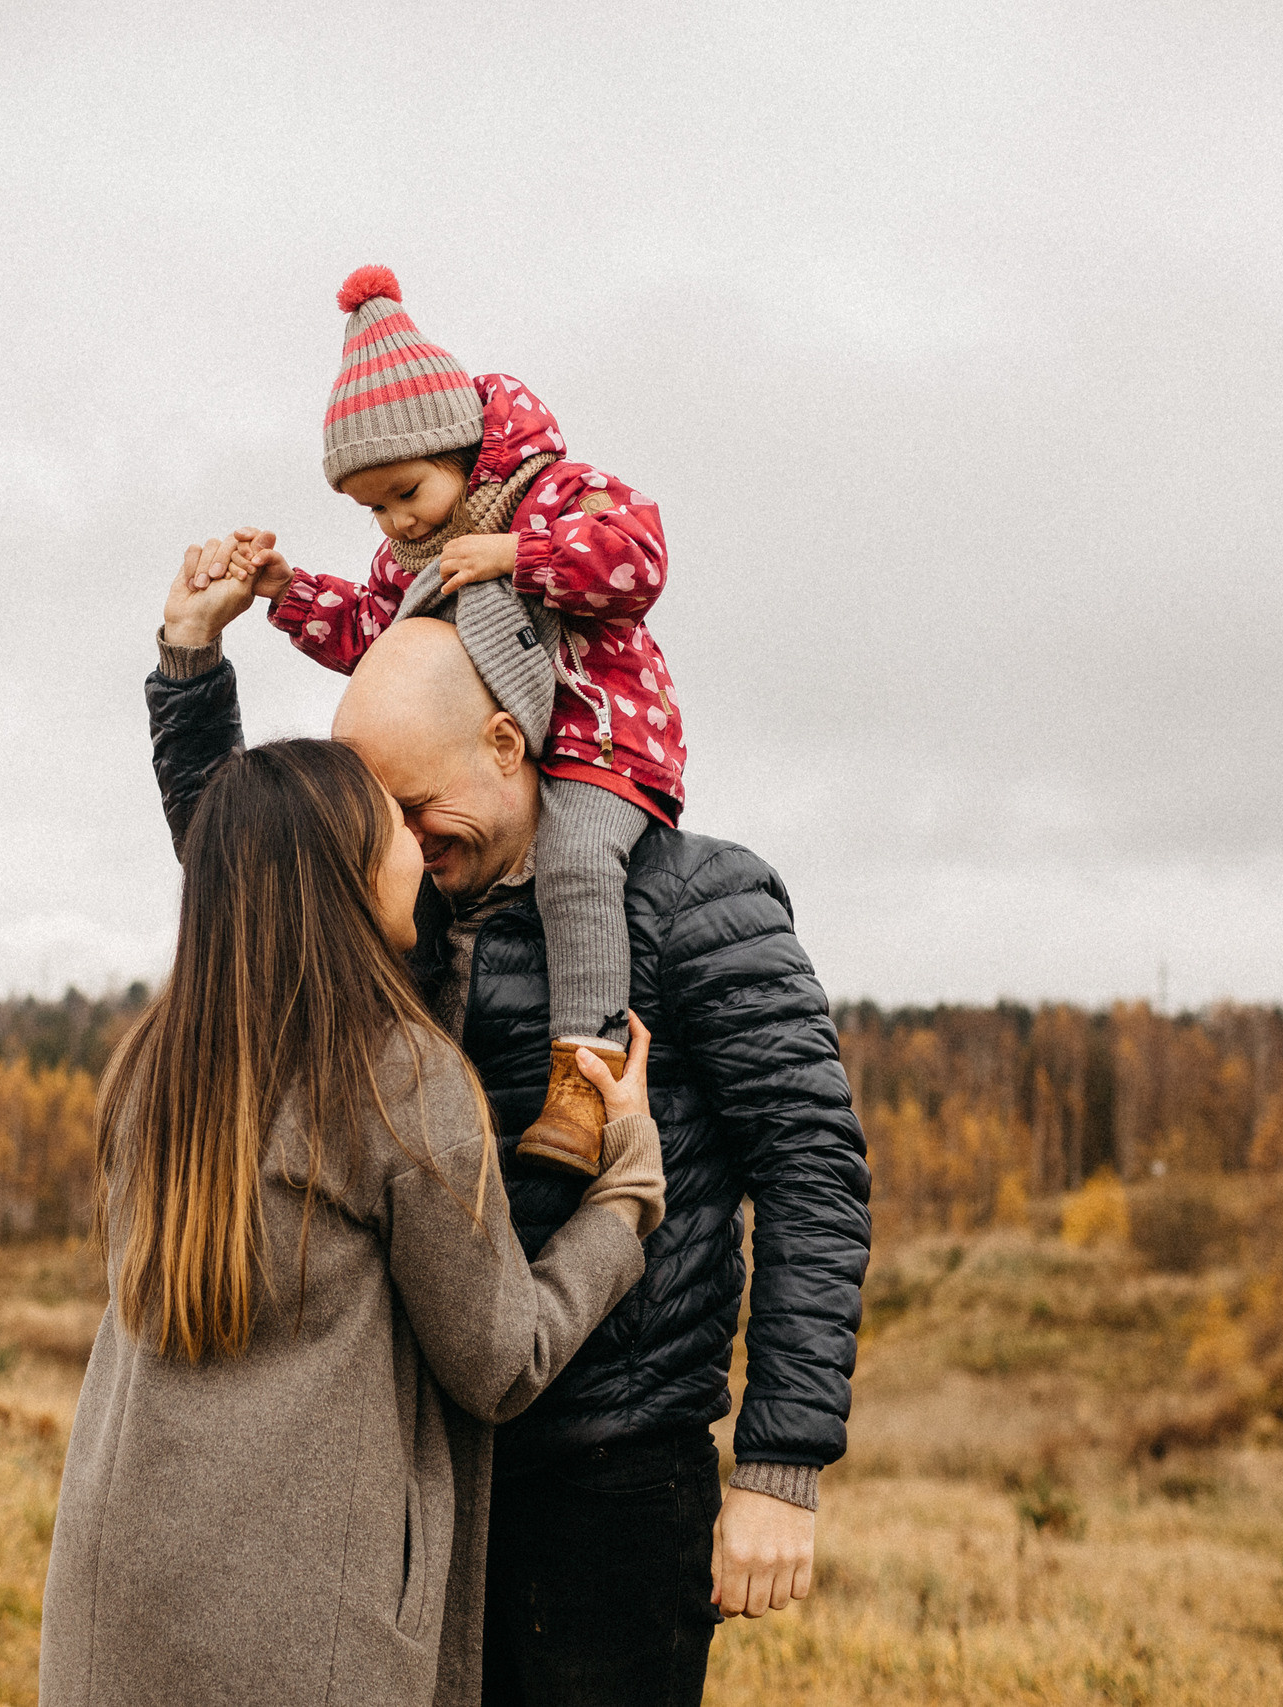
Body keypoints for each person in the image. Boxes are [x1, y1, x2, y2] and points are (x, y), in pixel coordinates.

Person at [149, 537, 871, 1707]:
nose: (402, 842)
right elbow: (253, 886)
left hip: (612, 1476)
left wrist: (780, 1466)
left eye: (417, 807)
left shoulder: (696, 901)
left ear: (504, 743)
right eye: (380, 821)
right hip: (420, 1469)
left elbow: (811, 1175)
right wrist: (190, 664)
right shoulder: (402, 913)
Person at [38, 736, 668, 1707]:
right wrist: (626, 1190)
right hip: (296, 1640)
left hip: (115, 1604)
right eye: (393, 827)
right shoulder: (396, 1077)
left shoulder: (155, 1064)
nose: (418, 842)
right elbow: (502, 1361)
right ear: (347, 872)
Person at [211, 265, 685, 1177]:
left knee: (576, 865)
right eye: (373, 508)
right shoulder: (412, 555)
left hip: (603, 735)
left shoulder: (558, 491)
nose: (394, 522)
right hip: (498, 754)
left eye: (405, 491)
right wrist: (286, 590)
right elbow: (374, 634)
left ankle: (583, 1081)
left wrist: (520, 553)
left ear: (458, 449)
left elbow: (639, 559)